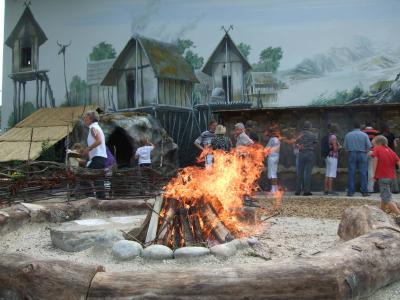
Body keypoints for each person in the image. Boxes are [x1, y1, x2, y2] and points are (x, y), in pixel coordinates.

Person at [371, 135, 400, 224]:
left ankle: (399, 214)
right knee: (385, 196)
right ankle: (381, 214)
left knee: (387, 198)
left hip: (383, 177)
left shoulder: (377, 149)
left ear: (378, 143)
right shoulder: (391, 151)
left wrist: (374, 174)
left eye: (374, 145)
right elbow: (398, 161)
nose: (373, 147)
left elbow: (375, 160)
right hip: (392, 177)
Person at [82, 111, 107, 199]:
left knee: (84, 177)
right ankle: (101, 200)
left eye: (86, 118)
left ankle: (92, 199)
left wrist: (88, 149)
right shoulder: (95, 127)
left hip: (98, 158)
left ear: (91, 119)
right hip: (99, 158)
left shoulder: (93, 128)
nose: (84, 120)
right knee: (98, 179)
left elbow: (98, 141)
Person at [343, 121, 372, 197]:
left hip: (352, 153)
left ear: (353, 127)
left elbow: (345, 148)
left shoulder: (348, 135)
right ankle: (364, 191)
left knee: (351, 173)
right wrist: (365, 152)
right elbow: (369, 146)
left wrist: (349, 154)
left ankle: (350, 192)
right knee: (363, 173)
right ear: (360, 127)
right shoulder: (364, 135)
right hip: (362, 153)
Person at [295, 121, 317, 196]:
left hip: (301, 153)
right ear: (309, 127)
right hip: (310, 153)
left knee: (300, 172)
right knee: (307, 173)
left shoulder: (299, 134)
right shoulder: (312, 134)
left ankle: (297, 191)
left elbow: (295, 143)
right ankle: (306, 191)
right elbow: (315, 143)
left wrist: (299, 146)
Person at [322, 123, 340, 196]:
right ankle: (330, 190)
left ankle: (325, 190)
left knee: (327, 173)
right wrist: (339, 147)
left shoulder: (328, 136)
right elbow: (335, 149)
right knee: (332, 173)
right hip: (333, 156)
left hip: (327, 156)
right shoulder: (333, 137)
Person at [381, 124, 399, 193]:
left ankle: (387, 189)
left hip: (383, 155)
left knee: (384, 172)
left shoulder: (381, 136)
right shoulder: (392, 135)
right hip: (391, 154)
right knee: (393, 172)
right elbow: (395, 145)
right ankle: (395, 189)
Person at [363, 122, 380, 193]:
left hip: (363, 152)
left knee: (363, 170)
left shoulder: (362, 132)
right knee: (371, 171)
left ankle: (363, 187)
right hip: (373, 152)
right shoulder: (376, 132)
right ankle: (370, 188)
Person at [265, 127, 281, 193]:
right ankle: (275, 188)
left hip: (271, 158)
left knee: (272, 173)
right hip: (276, 157)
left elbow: (266, 148)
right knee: (274, 173)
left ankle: (273, 189)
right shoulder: (278, 139)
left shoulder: (272, 139)